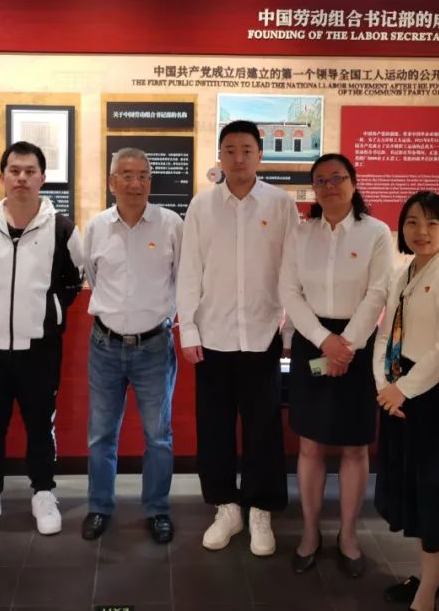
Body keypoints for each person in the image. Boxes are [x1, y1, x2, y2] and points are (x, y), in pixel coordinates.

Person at [177, 119, 299, 556]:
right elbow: (189, 270)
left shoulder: (280, 204)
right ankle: (226, 507)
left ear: (260, 155)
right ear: (220, 156)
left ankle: (261, 509)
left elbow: (292, 269)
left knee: (263, 428)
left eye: (247, 150)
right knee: (215, 428)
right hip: (212, 336)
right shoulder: (202, 206)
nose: (238, 158)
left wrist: (289, 328)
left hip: (263, 335)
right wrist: (188, 328)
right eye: (230, 150)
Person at [0, 141, 83, 537]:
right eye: (15, 170)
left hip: (39, 348)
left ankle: (43, 492)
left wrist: (49, 312)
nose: (22, 178)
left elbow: (74, 280)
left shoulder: (62, 228)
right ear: (2, 176)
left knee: (40, 425)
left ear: (43, 178)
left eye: (30, 171)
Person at [279, 153, 392, 577]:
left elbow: (378, 292)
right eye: (321, 181)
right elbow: (289, 291)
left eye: (337, 178)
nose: (329, 187)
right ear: (313, 188)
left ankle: (348, 535)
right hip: (312, 342)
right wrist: (325, 341)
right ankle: (310, 533)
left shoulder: (375, 232)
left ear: (353, 182)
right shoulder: (301, 233)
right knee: (310, 444)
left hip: (358, 346)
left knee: (354, 446)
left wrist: (347, 346)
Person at [373, 191, 439, 610]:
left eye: (433, 222)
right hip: (398, 394)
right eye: (413, 222)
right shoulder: (403, 273)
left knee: (438, 500)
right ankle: (430, 580)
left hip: (436, 399)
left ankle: (425, 598)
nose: (422, 231)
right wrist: (383, 385)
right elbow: (384, 335)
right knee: (417, 497)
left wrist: (401, 389)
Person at [81, 147, 183, 544]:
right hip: (104, 346)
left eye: (143, 175)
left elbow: (182, 280)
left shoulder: (171, 225)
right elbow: (93, 276)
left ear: (150, 182)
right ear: (112, 182)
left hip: (154, 346)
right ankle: (99, 506)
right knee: (101, 434)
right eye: (126, 175)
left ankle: (157, 509)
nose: (136, 183)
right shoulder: (96, 227)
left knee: (158, 436)